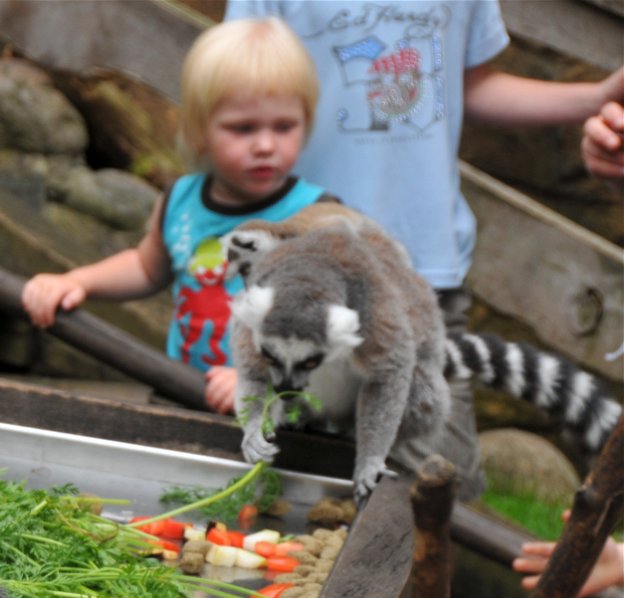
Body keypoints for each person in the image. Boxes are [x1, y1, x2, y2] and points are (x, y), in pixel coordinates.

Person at [224, 0, 624, 495]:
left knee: (434, 490)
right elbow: (234, 87)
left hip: (423, 277)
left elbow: (470, 83)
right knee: (290, 481)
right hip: (302, 275)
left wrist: (598, 96)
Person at [21, 17, 332, 416]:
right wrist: (76, 282)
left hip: (275, 413)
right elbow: (146, 266)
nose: (266, 145)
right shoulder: (182, 201)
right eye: (244, 128)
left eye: (284, 126)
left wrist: (263, 377)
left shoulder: (317, 218)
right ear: (199, 131)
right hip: (183, 394)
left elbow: (332, 327)